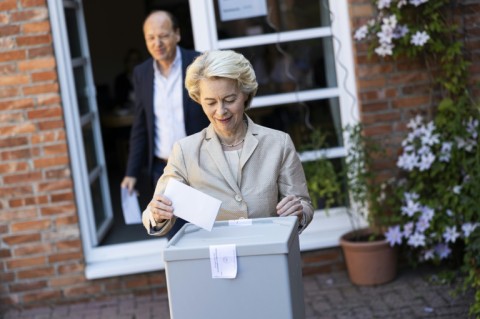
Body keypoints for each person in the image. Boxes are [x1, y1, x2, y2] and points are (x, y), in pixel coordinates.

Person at [142, 50, 313, 236]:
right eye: (210, 102)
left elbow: (303, 204)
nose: (221, 111)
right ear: (199, 100)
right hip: (214, 260)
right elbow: (153, 212)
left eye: (229, 100)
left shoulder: (278, 143)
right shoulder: (185, 151)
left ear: (246, 94)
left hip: (269, 253)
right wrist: (157, 214)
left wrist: (299, 212)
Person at [121, 11, 209, 238]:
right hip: (165, 171)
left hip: (202, 165)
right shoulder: (142, 73)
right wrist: (131, 172)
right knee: (175, 238)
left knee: (208, 233)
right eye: (150, 38)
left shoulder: (198, 63)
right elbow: (140, 125)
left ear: (177, 34)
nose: (156, 43)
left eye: (163, 36)